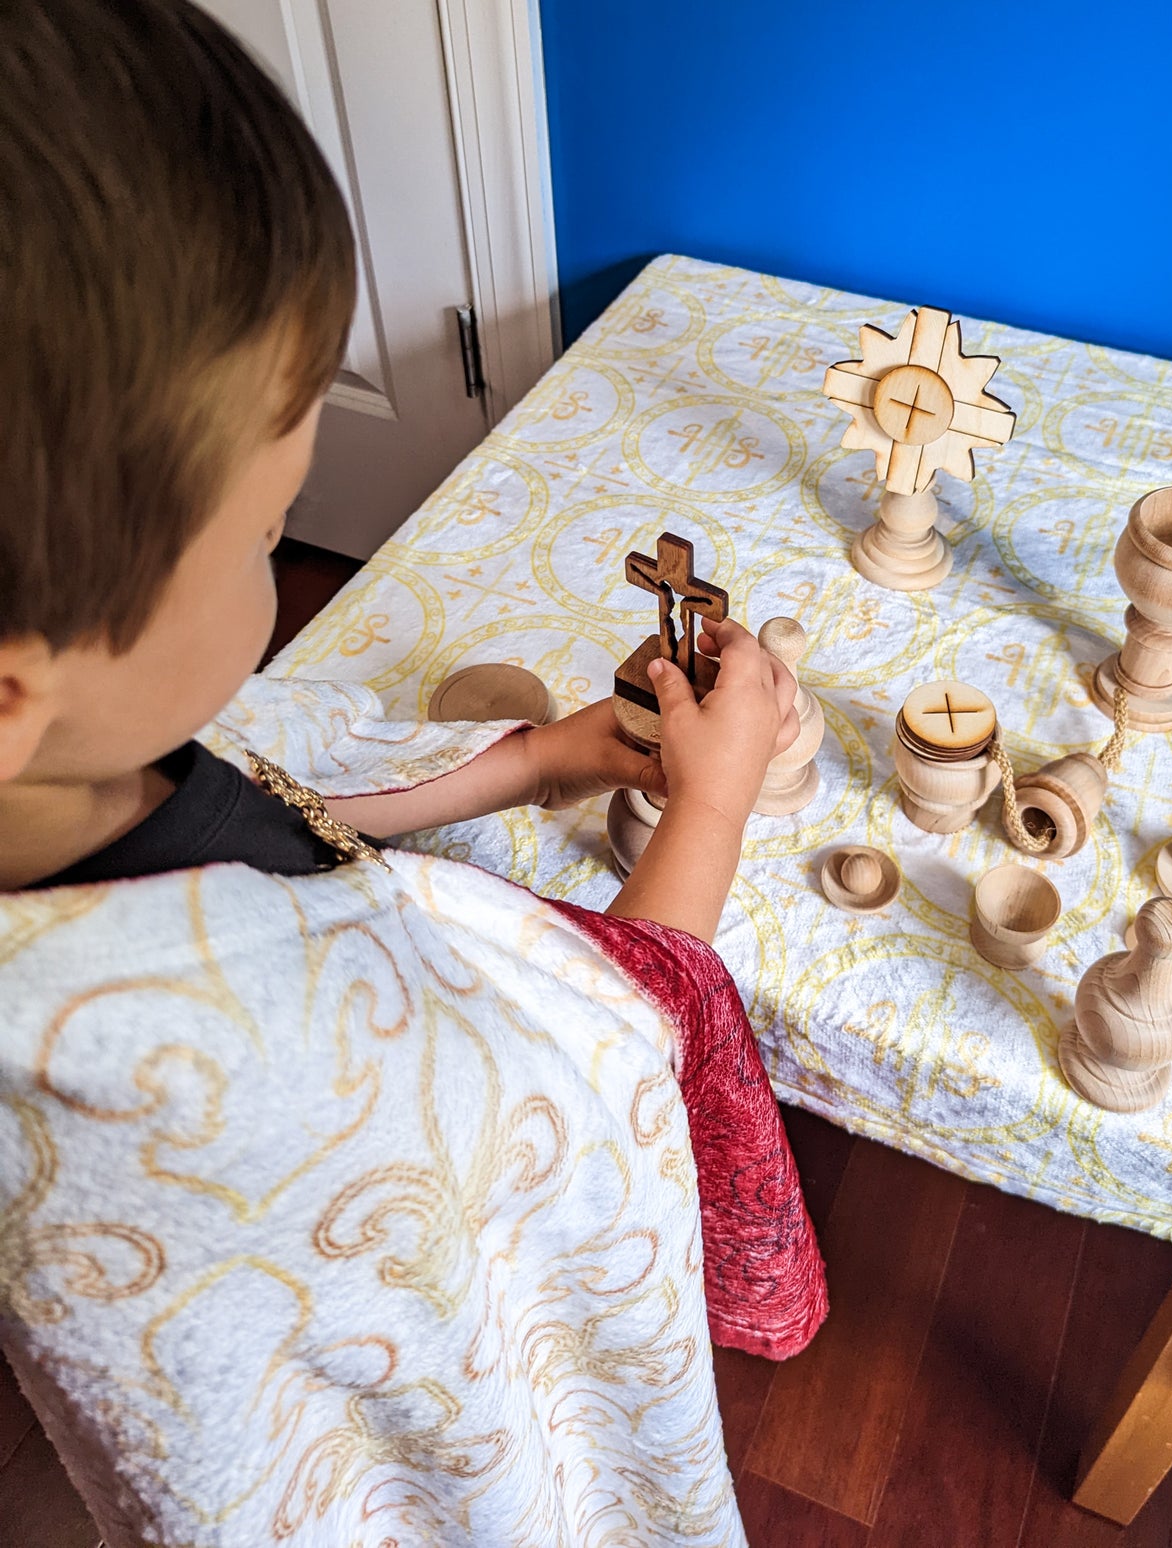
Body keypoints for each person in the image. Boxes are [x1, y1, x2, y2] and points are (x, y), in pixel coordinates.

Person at [0, 3, 825, 1543]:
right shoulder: (220, 1071)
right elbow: (579, 1072)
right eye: (261, 538)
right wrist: (705, 806)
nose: (276, 561)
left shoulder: (63, 790)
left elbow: (229, 815)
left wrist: (524, 761)